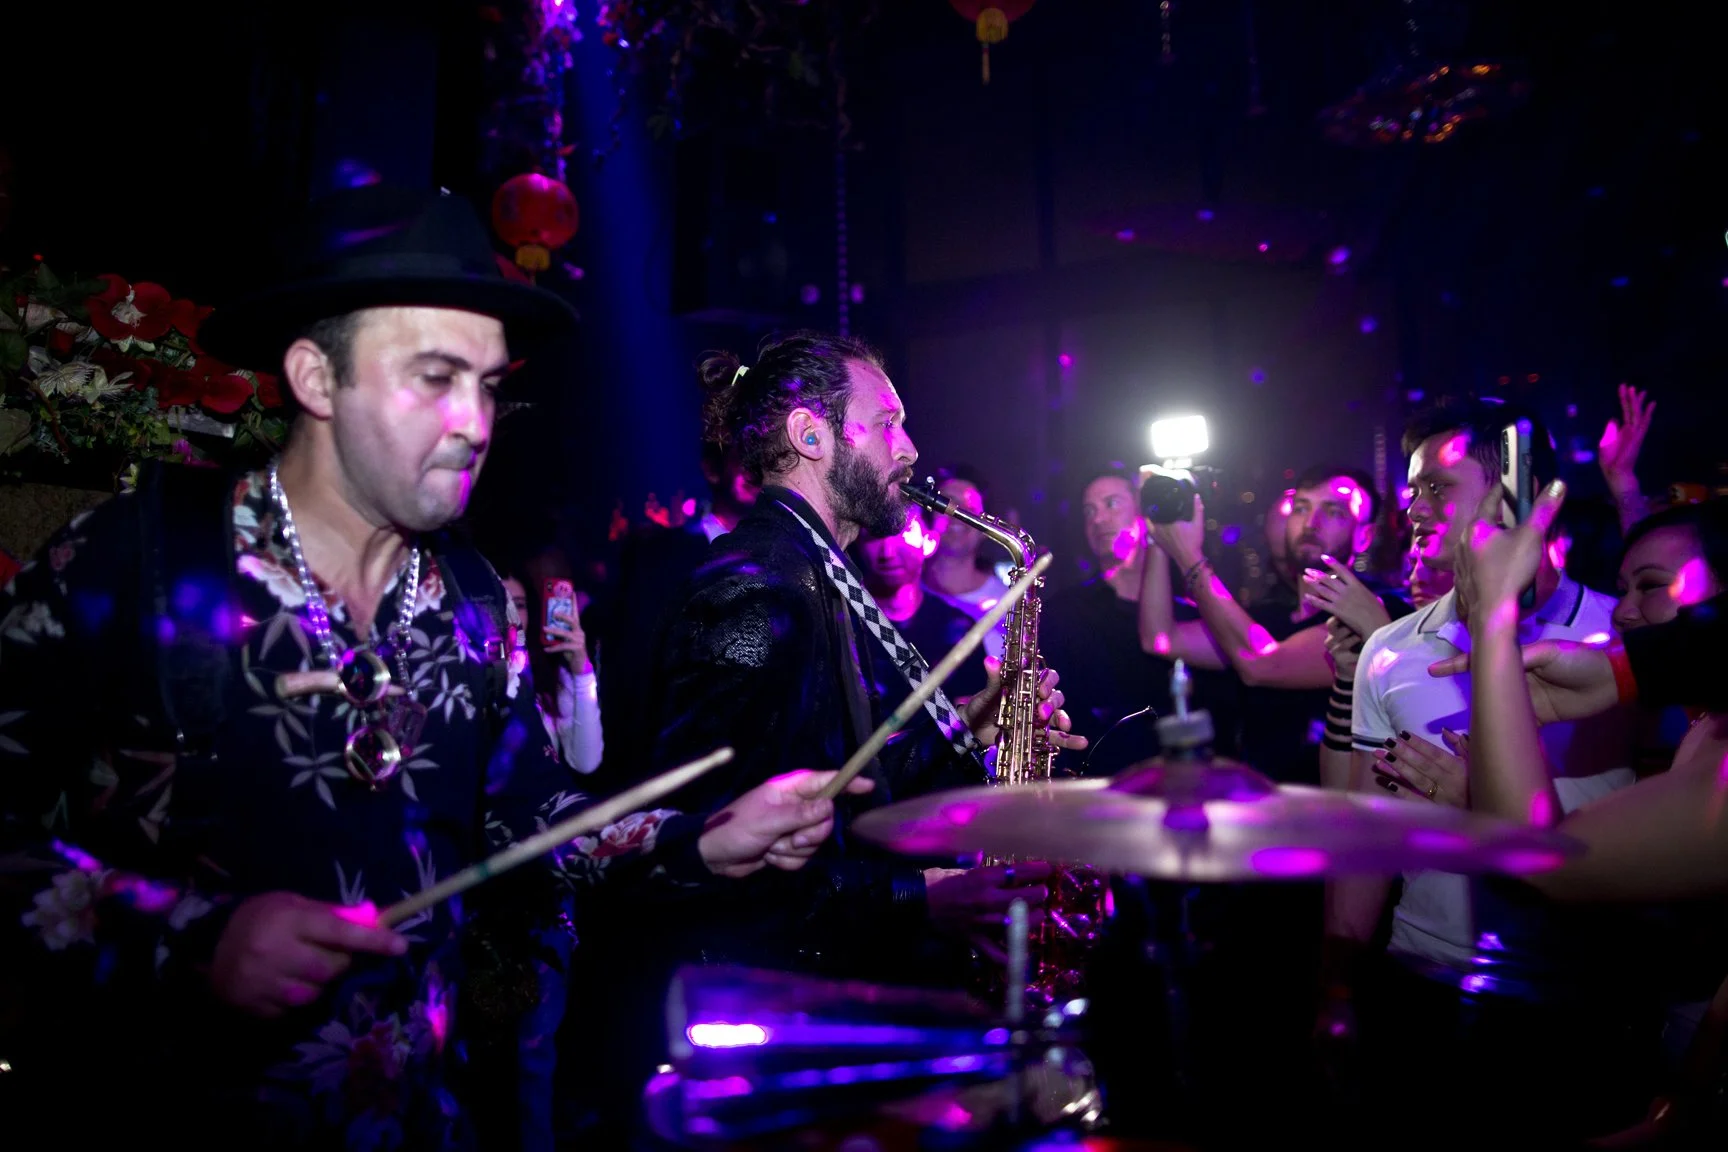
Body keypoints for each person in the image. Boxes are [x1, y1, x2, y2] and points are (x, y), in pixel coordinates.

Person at [0, 185, 863, 1150]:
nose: (476, 422)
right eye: (435, 377)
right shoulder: (139, 560)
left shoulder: (472, 599)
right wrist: (186, 939)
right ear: (316, 380)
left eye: (489, 385)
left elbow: (540, 825)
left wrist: (701, 840)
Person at [1321, 398, 1646, 1149]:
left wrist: (1477, 801)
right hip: (1421, 985)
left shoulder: (1619, 637)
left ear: (1517, 494)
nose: (1413, 506)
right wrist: (1335, 988)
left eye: (1438, 486)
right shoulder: (1394, 650)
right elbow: (1367, 837)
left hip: (1574, 1002)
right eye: (1411, 489)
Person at [852, 504, 988, 700]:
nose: (887, 551)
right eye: (874, 536)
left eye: (902, 533)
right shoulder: (843, 621)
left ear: (930, 541)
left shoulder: (960, 630)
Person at [502, 573, 603, 774]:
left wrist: (582, 671)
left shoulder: (549, 678)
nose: (511, 614)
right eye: (501, 602)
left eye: (519, 605)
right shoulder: (467, 673)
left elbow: (587, 762)